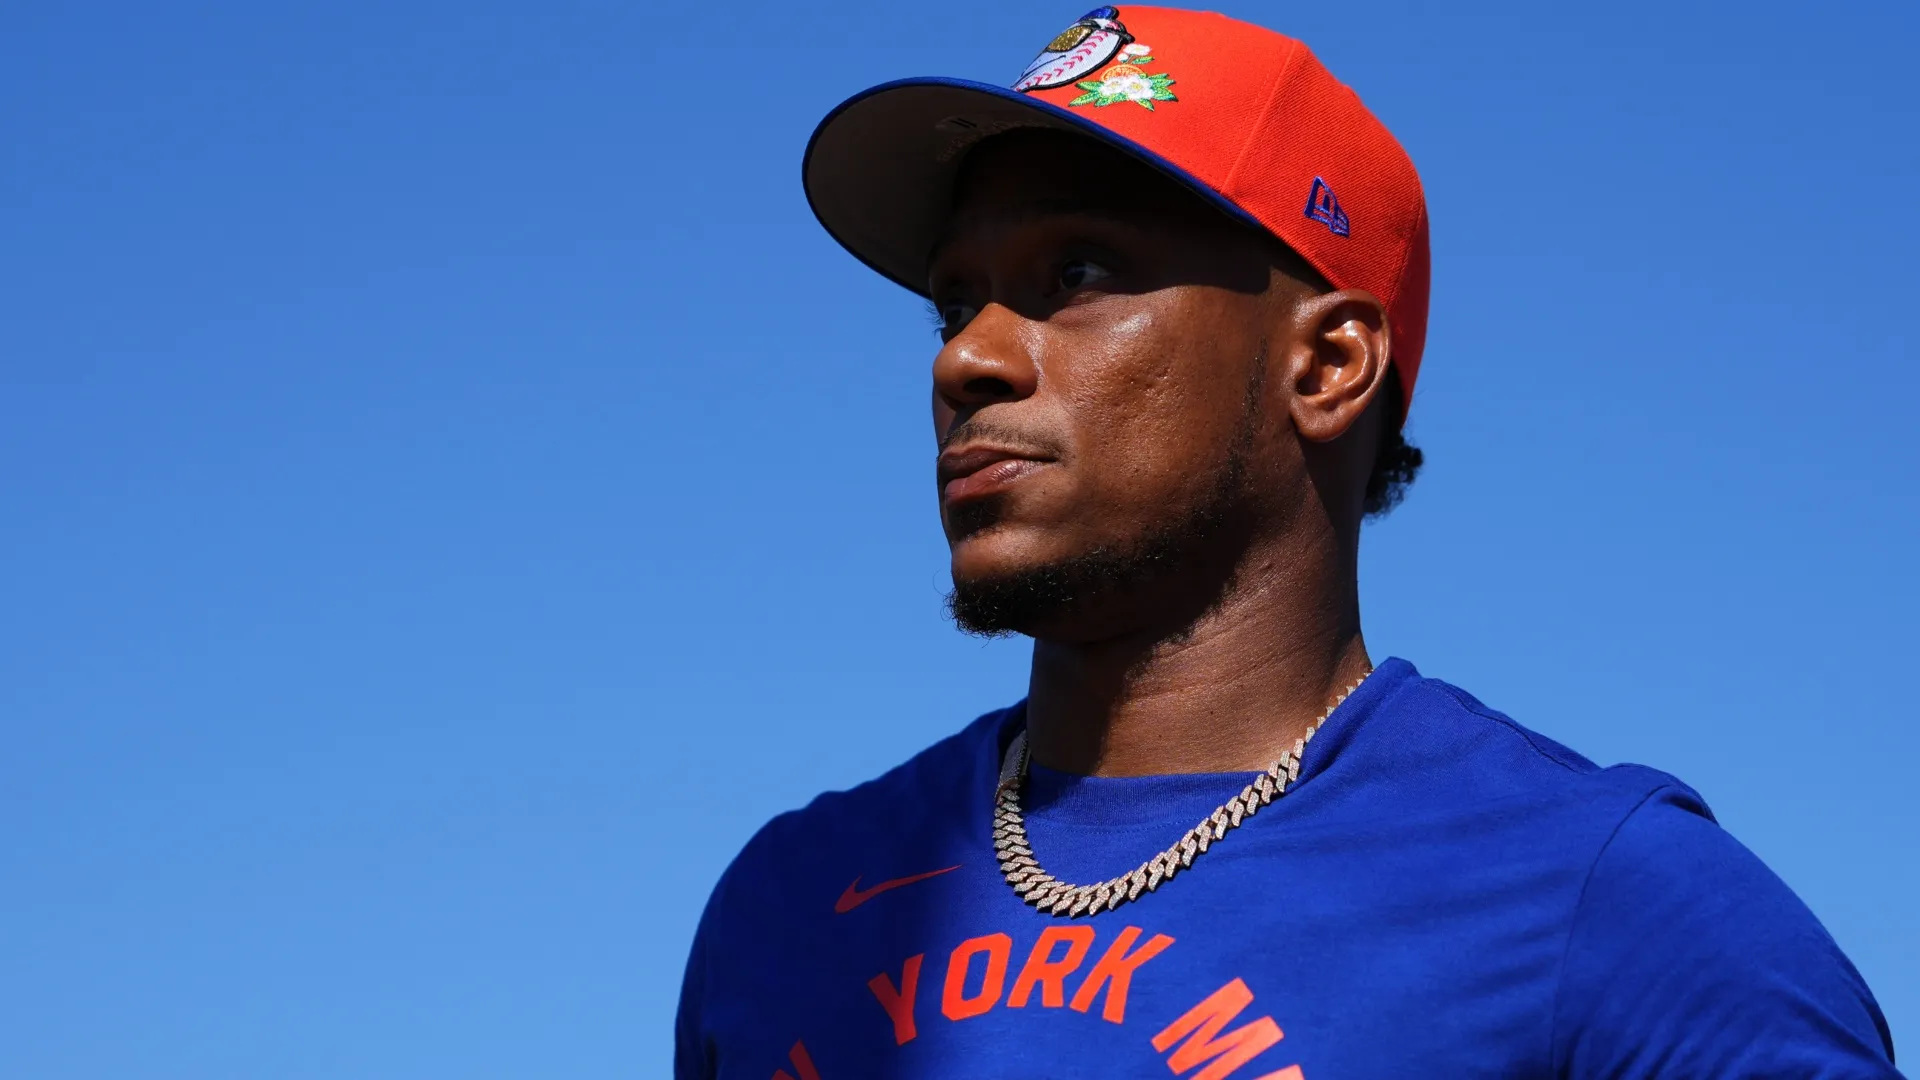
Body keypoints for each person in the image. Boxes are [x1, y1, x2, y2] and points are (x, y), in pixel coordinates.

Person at [675, 7, 1901, 1077]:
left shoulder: (1607, 908)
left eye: (1078, 271)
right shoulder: (792, 905)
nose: (969, 358)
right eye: (956, 301)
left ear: (1328, 364)